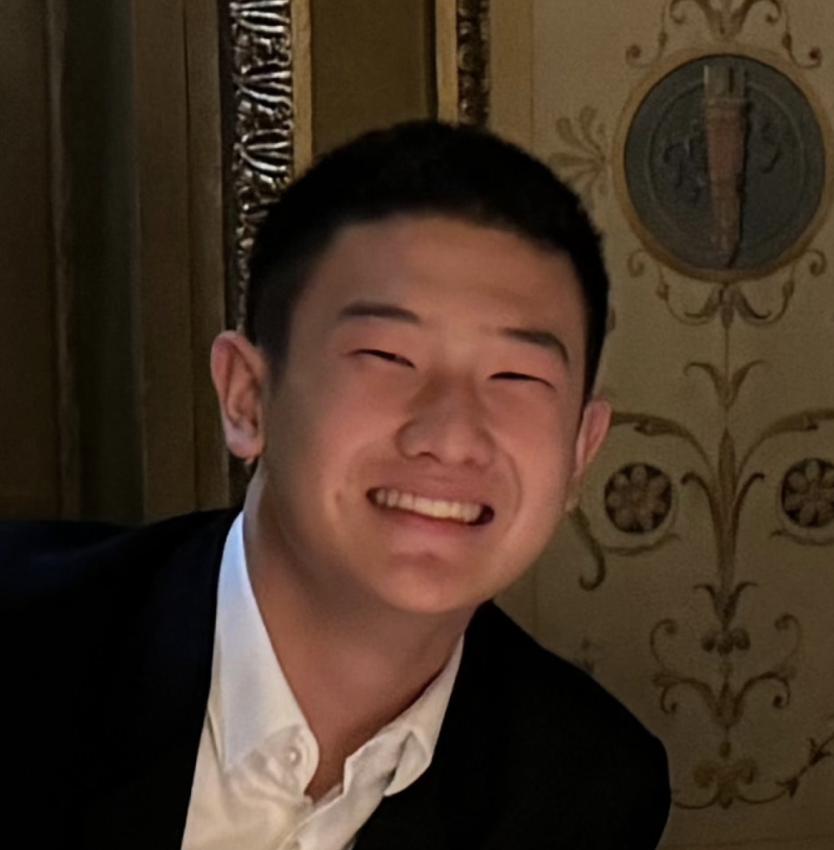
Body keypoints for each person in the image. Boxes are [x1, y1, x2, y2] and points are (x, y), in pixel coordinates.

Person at [2, 121, 670, 849]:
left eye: (517, 377)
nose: (450, 434)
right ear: (248, 398)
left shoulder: (587, 784)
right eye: (386, 356)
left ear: (580, 450)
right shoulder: (26, 649)